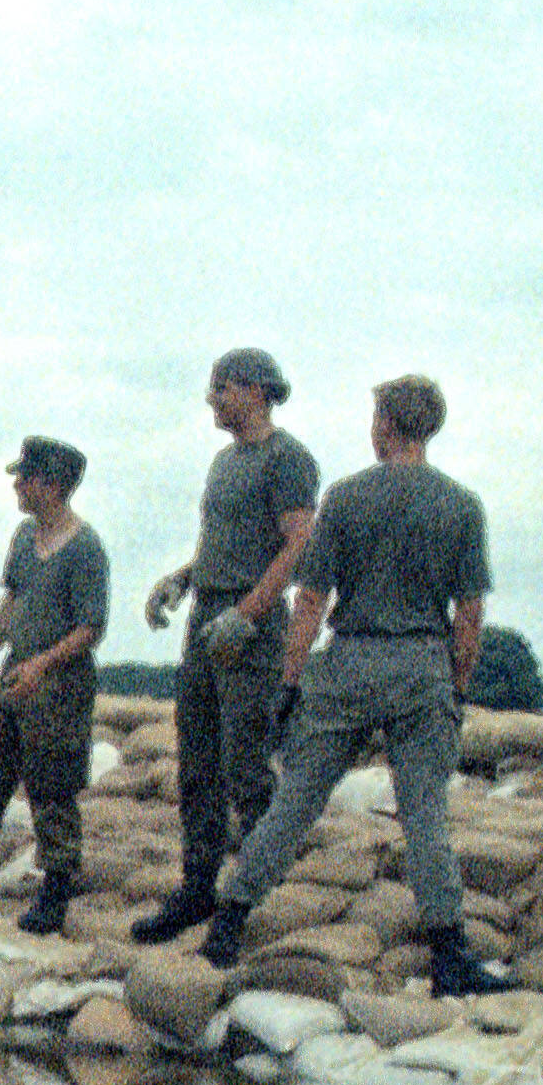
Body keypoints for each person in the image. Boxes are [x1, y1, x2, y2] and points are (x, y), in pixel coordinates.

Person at [205, 375, 495, 993]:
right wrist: (456, 688)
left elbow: (310, 599)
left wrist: (290, 681)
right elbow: (469, 617)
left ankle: (228, 923)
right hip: (422, 665)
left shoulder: (345, 497)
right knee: (424, 815)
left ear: (385, 426)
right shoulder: (462, 506)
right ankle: (449, 954)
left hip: (350, 663)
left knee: (296, 801)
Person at [132, 349, 319, 945]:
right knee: (198, 764)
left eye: (222, 388)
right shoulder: (223, 462)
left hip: (250, 627)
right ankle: (197, 889)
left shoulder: (287, 459)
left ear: (259, 391)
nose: (211, 399)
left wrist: (246, 613)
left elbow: (298, 546)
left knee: (247, 769)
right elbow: (220, 541)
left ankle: (255, 897)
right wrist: (182, 579)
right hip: (207, 619)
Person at [0, 435, 107, 926]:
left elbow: (91, 628)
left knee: (52, 788)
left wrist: (42, 664)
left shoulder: (85, 548)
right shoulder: (23, 538)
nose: (16, 484)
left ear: (52, 485)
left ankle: (55, 893)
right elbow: (11, 601)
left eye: (25, 476)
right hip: (16, 673)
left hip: (59, 683)